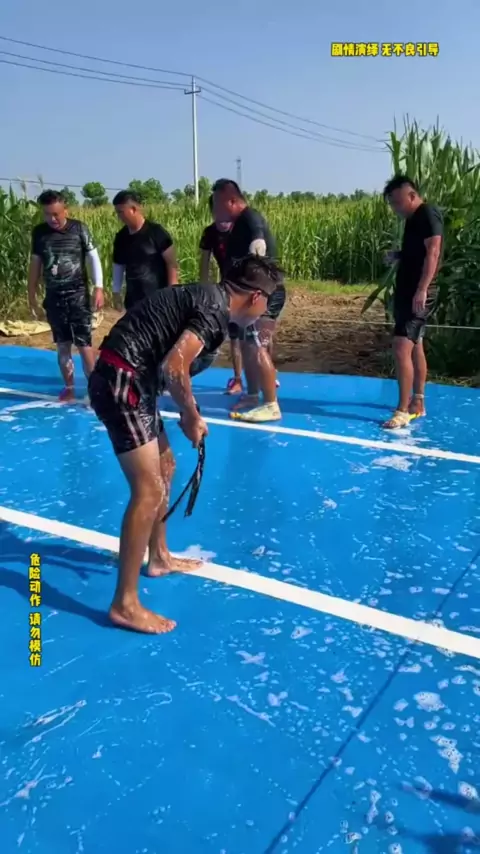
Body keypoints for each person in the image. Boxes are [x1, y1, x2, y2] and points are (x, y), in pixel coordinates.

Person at [88, 254, 284, 635]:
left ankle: (159, 556)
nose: (264, 312)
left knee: (166, 466)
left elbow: (167, 363)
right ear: (256, 297)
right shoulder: (214, 311)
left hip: (135, 380)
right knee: (147, 490)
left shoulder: (210, 300)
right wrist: (191, 415)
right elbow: (175, 366)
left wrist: (186, 408)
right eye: (267, 304)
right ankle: (125, 603)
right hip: (121, 380)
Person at [212, 179, 285, 422]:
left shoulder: (250, 217)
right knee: (246, 345)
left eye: (217, 204)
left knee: (256, 345)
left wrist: (258, 244)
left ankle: (271, 404)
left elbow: (258, 236)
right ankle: (253, 395)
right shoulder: (237, 225)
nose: (215, 210)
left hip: (263, 295)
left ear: (231, 200)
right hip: (248, 297)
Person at [28, 189, 104, 402]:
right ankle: (69, 388)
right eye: (47, 214)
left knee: (84, 344)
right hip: (54, 297)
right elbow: (35, 263)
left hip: (78, 296)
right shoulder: (40, 233)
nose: (52, 219)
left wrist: (98, 287)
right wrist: (31, 293)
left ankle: (94, 389)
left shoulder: (79, 228)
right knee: (62, 345)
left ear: (65, 210)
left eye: (56, 214)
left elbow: (93, 258)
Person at [382, 175, 443, 429]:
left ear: (411, 195)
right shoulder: (413, 220)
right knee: (415, 344)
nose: (395, 208)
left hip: (418, 292)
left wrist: (422, 289)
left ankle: (402, 410)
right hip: (408, 290)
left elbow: (433, 251)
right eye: (392, 204)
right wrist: (398, 255)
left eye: (397, 202)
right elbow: (417, 252)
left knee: (401, 346)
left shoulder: (428, 213)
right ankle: (418, 402)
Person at [199, 195, 243, 393]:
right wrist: (205, 289)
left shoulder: (242, 230)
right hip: (228, 287)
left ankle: (268, 373)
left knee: (259, 333)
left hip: (250, 286)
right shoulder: (210, 233)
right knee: (234, 334)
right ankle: (238, 379)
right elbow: (205, 261)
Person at [111, 190, 178, 311]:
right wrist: (116, 292)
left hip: (158, 300)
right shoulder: (121, 237)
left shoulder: (157, 232)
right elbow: (118, 265)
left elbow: (171, 264)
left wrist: (172, 293)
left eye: (121, 212)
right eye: (117, 212)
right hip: (133, 302)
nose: (119, 216)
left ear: (133, 209)